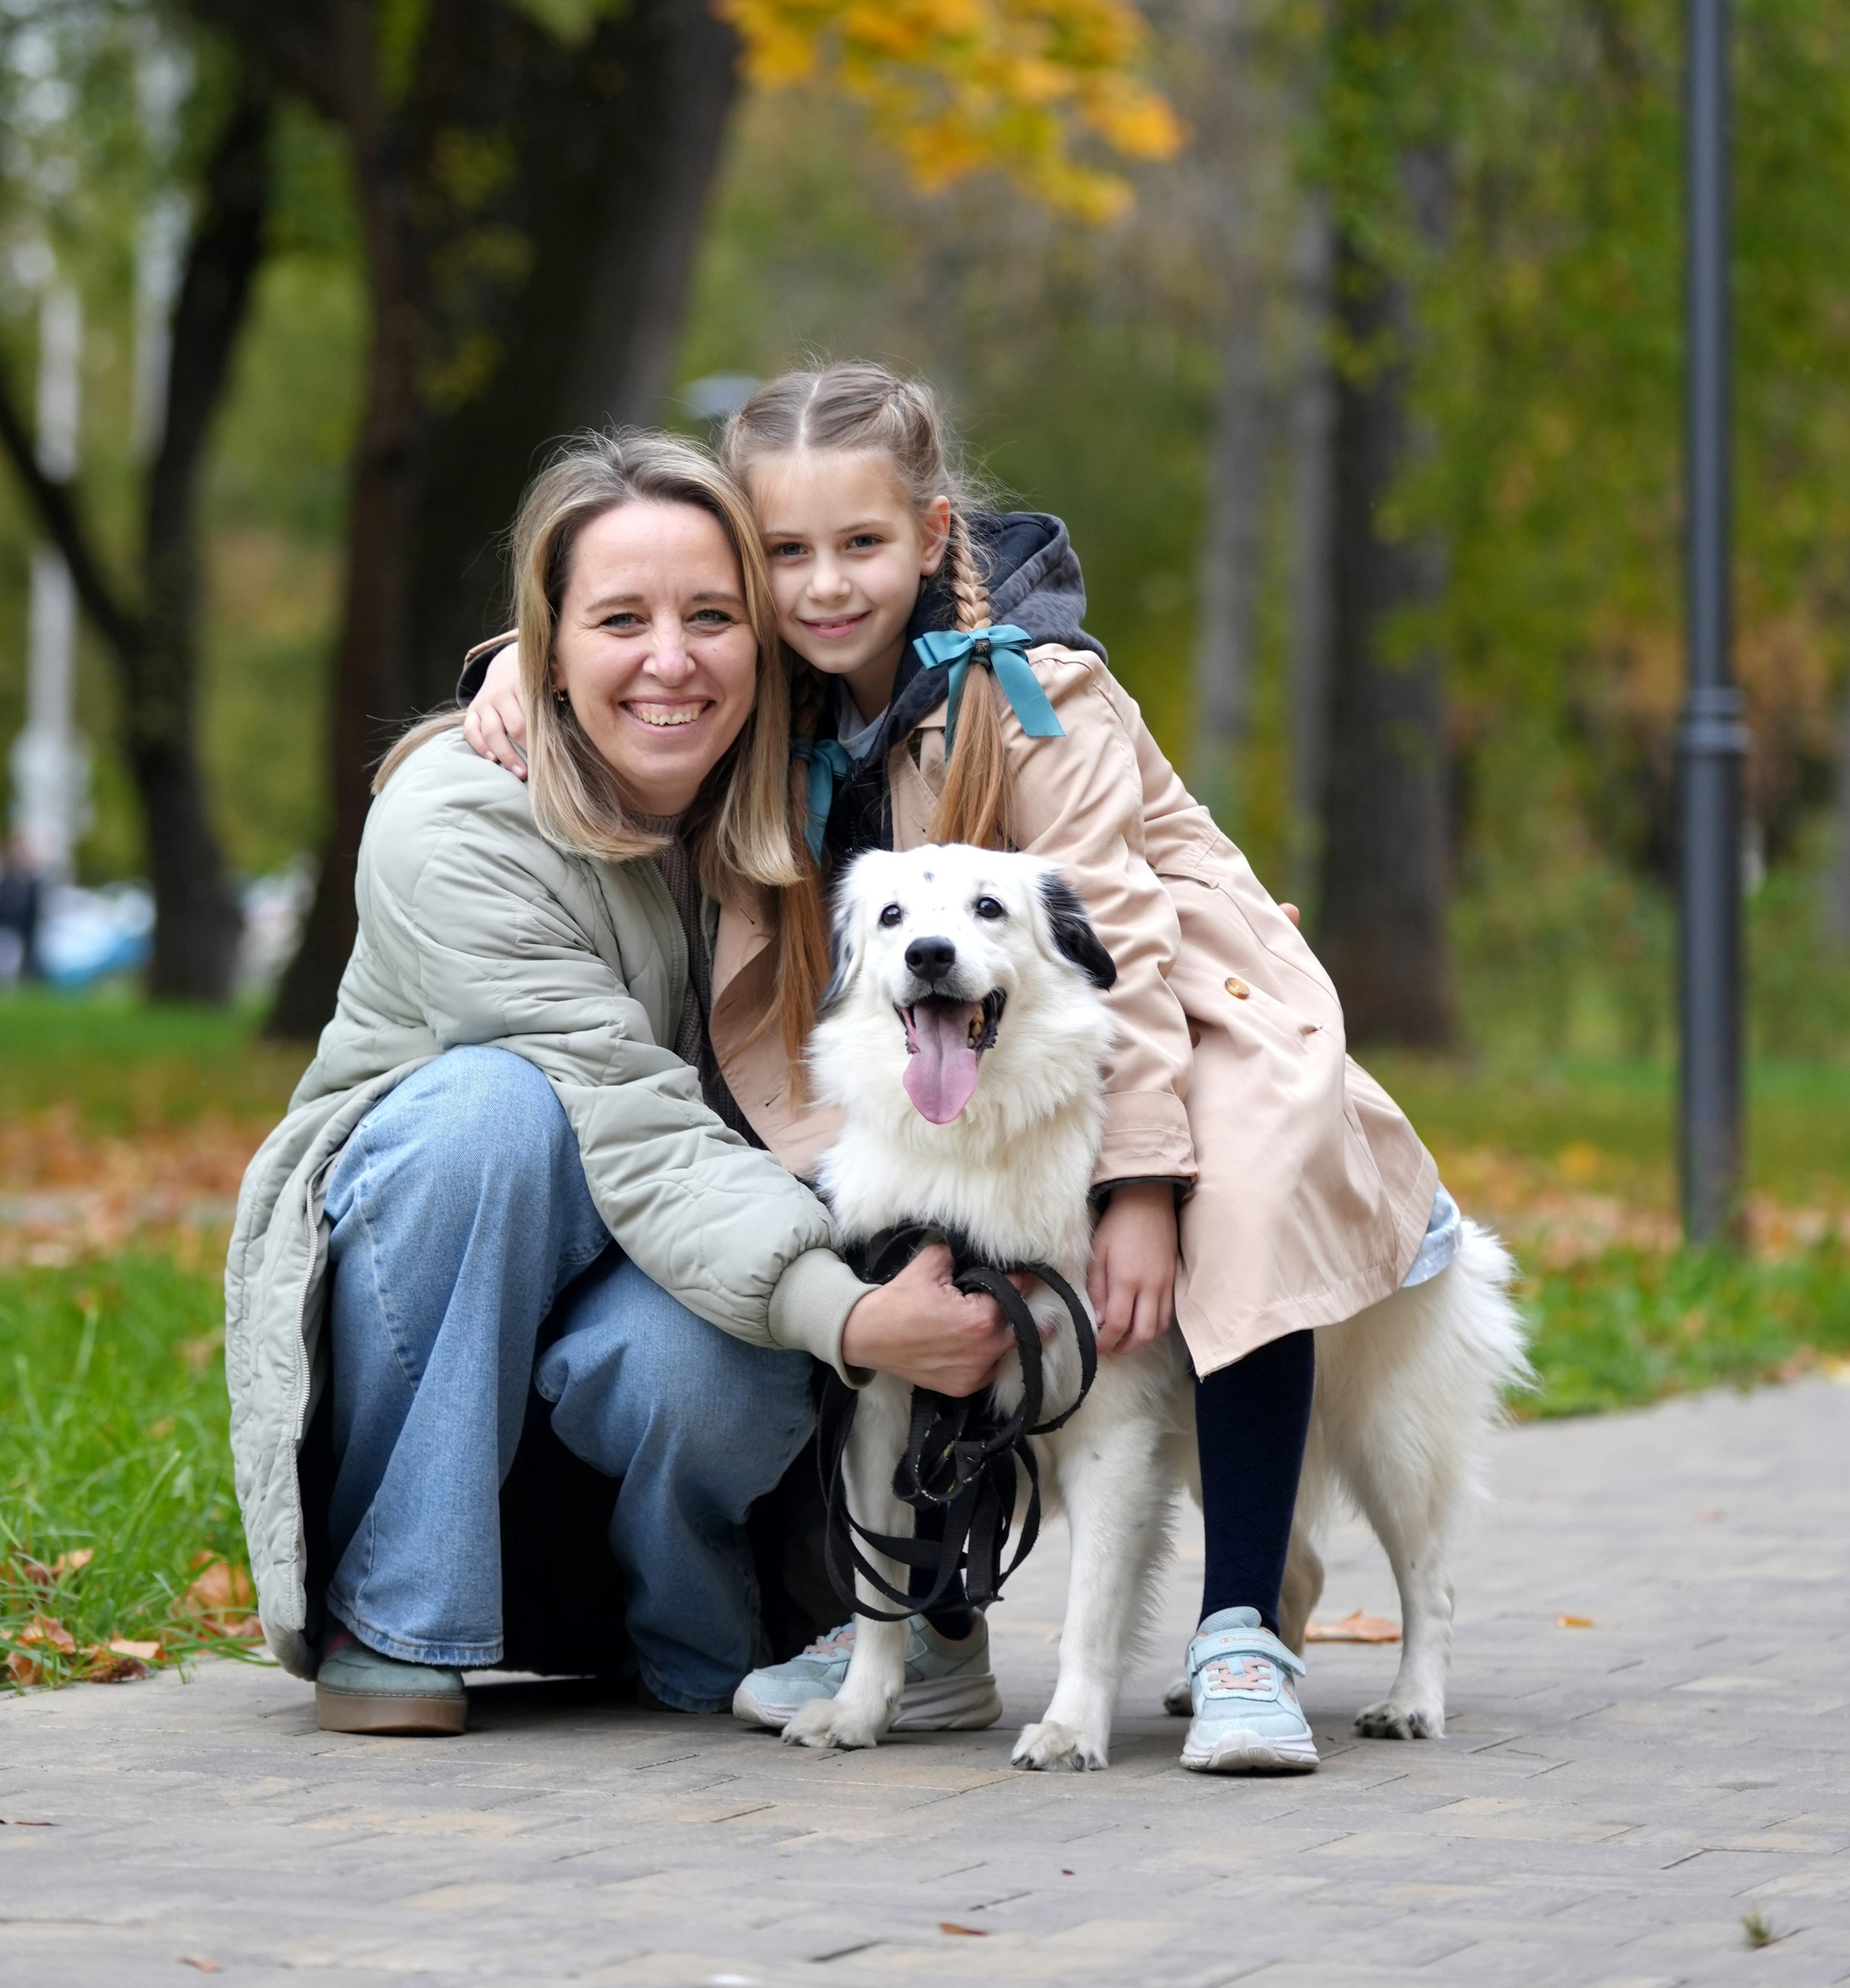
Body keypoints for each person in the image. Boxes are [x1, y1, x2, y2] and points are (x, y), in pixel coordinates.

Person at [464, 363, 1444, 1773]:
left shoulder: (1039, 693)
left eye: (859, 546)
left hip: (1165, 998)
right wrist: (514, 662)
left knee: (1233, 1213)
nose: (822, 586)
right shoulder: (777, 702)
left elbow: (1127, 939)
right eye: (785, 553)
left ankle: (1240, 1629)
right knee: (899, 1252)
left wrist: (1145, 1184)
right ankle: (921, 1628)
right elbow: (636, 650)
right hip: (941, 1027)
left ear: (931, 535)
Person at [226, 431, 1024, 1736]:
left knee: (703, 1368)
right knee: (499, 1111)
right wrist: (849, 1316)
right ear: (546, 648)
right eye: (619, 622)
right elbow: (626, 1120)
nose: (671, 660)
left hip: (665, 1251)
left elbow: (973, 607)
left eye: (713, 616)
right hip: (443, 1244)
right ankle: (400, 1614)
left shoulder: (808, 798)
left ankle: (701, 1645)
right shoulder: (457, 818)